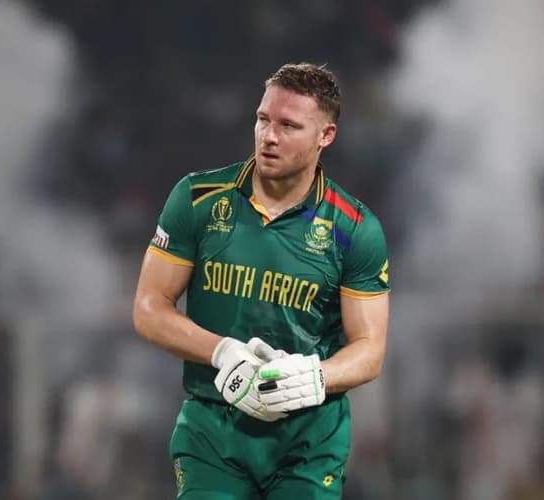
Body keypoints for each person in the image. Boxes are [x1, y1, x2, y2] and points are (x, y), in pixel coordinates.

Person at [133, 62, 390, 499]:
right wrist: (221, 351)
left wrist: (313, 376)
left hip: (308, 441)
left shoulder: (354, 229)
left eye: (289, 126)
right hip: (213, 429)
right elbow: (148, 307)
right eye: (263, 119)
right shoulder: (197, 199)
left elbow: (370, 349)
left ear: (325, 135)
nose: (269, 136)